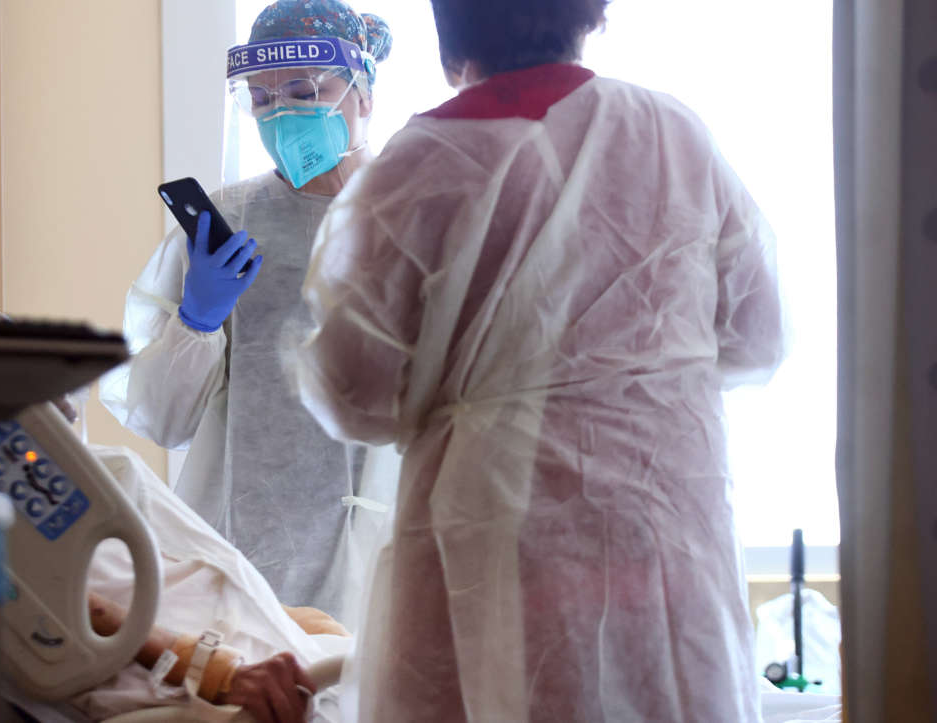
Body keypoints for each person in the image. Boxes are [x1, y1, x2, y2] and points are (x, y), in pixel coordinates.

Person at [294, 0, 786, 720]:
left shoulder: (420, 167)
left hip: (494, 559)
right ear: (589, 15)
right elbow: (758, 332)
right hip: (666, 549)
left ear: (450, 30)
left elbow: (353, 395)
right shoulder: (672, 136)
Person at [0, 274, 350, 723]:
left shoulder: (60, 478)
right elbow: (73, 606)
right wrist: (218, 671)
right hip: (196, 655)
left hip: (230, 627)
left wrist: (297, 622)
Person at [100, 0, 397, 622]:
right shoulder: (228, 223)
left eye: (303, 89)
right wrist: (197, 322)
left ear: (363, 96)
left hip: (392, 546)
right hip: (247, 543)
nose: (281, 112)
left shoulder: (420, 216)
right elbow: (163, 418)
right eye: (261, 100)